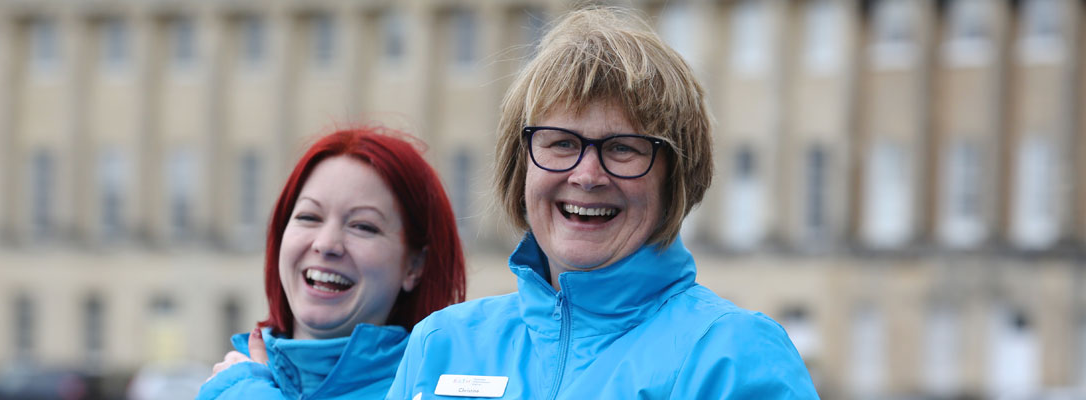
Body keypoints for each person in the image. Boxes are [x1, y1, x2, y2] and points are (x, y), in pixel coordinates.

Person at [387, 7, 818, 399]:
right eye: (561, 143)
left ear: (675, 179)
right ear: (521, 168)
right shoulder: (441, 345)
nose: (587, 175)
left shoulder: (731, 357)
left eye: (622, 148)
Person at [198, 127, 466, 400]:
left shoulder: (437, 389)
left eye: (363, 226)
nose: (326, 244)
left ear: (414, 265)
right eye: (309, 217)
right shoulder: (229, 382)